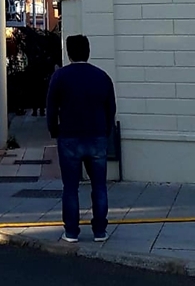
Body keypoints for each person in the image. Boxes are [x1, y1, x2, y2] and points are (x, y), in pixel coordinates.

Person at [46, 35, 116, 243]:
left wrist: (54, 130)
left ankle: (71, 231)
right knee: (99, 186)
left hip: (69, 136)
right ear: (88, 51)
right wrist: (106, 131)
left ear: (69, 53)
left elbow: (51, 107)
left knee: (70, 187)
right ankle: (100, 231)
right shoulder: (102, 77)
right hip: (97, 136)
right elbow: (110, 109)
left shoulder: (60, 77)